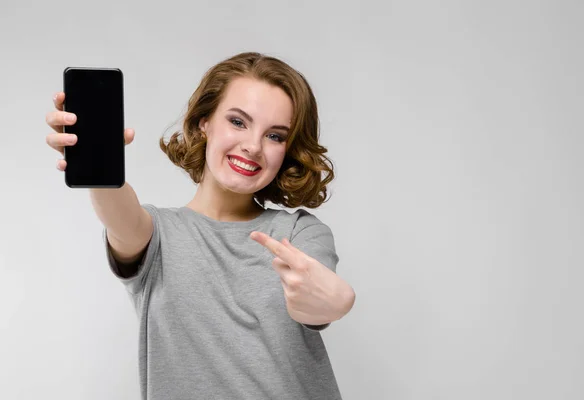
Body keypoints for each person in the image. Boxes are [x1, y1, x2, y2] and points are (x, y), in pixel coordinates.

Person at [45, 52, 356, 399]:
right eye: (238, 122)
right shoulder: (157, 235)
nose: (253, 146)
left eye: (275, 136)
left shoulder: (299, 232)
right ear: (204, 122)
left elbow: (318, 301)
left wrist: (338, 300)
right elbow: (120, 216)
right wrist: (97, 160)